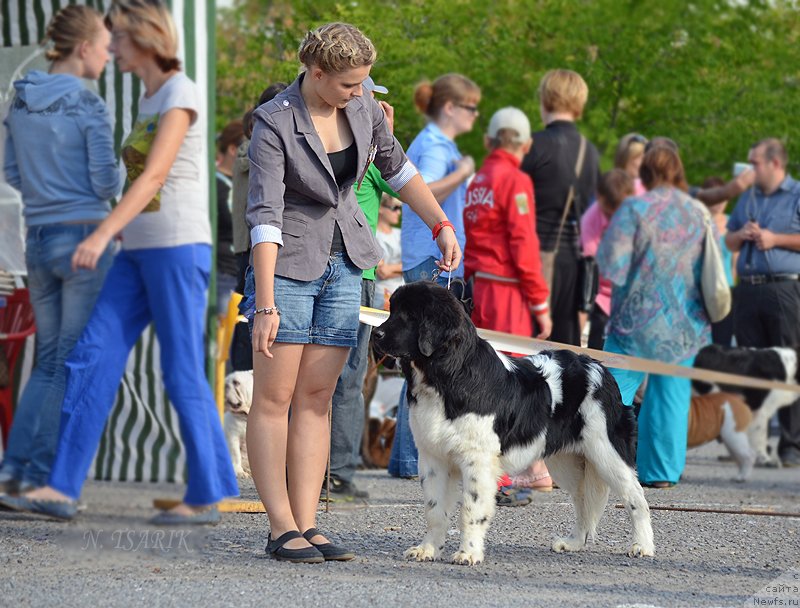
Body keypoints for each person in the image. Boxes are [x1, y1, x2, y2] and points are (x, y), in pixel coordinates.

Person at [6, 0, 239, 523]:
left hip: (178, 250)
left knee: (180, 371)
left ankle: (206, 491)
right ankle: (61, 488)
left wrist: (101, 233)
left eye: (118, 38)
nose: (110, 48)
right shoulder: (148, 93)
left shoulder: (181, 93)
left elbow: (155, 176)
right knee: (89, 355)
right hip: (135, 253)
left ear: (144, 38)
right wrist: (114, 236)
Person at [243, 22, 460, 563]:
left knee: (318, 399)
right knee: (274, 400)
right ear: (316, 74)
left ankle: (309, 524)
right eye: (347, 85)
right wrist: (265, 302)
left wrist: (440, 224)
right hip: (287, 268)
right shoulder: (273, 123)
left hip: (347, 264)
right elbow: (264, 217)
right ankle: (279, 527)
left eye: (364, 83)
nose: (359, 93)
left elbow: (399, 169)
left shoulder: (362, 107)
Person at [0, 5, 118, 496]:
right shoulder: (88, 105)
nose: (110, 57)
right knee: (71, 361)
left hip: (40, 235)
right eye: (107, 48)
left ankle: (15, 471)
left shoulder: (19, 98)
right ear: (85, 47)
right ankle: (40, 476)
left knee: (47, 360)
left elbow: (10, 172)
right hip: (83, 235)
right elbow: (107, 179)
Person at [597, 146, 711, 488]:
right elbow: (716, 269)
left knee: (612, 390)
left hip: (634, 320)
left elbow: (611, 264)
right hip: (683, 322)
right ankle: (660, 473)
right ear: (678, 172)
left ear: (644, 174)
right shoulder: (698, 211)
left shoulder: (634, 208)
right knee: (670, 393)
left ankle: (604, 465)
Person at [389, 72, 479, 480]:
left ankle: (405, 458)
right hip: (433, 257)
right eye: (471, 108)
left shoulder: (438, 143)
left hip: (432, 254)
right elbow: (424, 190)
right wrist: (462, 173)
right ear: (450, 108)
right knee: (429, 362)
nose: (476, 116)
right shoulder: (434, 145)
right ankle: (413, 459)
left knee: (423, 363)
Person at [463, 106, 553, 497]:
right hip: (507, 290)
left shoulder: (478, 180)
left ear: (491, 140)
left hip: (481, 284)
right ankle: (501, 474)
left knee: (487, 375)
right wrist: (540, 302)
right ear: (525, 143)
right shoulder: (515, 181)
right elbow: (523, 243)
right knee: (509, 380)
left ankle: (498, 470)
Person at [326, 75, 399, 501]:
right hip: (360, 276)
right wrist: (386, 135)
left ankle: (316, 470)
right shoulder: (368, 153)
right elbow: (405, 182)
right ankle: (338, 473)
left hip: (337, 270)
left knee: (323, 380)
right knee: (349, 381)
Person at [725, 138, 800, 468]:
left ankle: (791, 443)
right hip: (749, 289)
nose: (750, 169)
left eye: (755, 163)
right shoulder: (748, 197)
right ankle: (755, 444)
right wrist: (741, 234)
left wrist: (774, 239)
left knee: (788, 365)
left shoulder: (796, 195)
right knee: (751, 365)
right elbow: (727, 240)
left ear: (774, 164)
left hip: (784, 289)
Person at [521, 69, 601, 346]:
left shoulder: (533, 145)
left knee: (527, 352)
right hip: (573, 263)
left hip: (533, 261)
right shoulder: (590, 152)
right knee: (563, 356)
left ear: (545, 99)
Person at [229, 83, 288, 372]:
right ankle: (241, 380)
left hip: (257, 245)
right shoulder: (254, 152)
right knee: (248, 321)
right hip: (254, 248)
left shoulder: (248, 150)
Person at [580, 169, 634, 350]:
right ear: (599, 197)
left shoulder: (642, 210)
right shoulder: (590, 220)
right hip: (603, 298)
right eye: (610, 214)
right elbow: (591, 264)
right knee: (599, 351)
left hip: (634, 297)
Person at [702, 176, 736, 346]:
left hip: (726, 291)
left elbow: (735, 263)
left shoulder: (733, 223)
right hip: (703, 291)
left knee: (723, 343)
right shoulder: (699, 222)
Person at [215, 119, 244, 316]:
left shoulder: (247, 182)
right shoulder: (213, 185)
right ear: (233, 149)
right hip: (222, 274)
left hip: (243, 274)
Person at [374, 194, 403, 310]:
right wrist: (402, 269)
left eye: (399, 209)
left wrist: (391, 268)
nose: (398, 213)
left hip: (402, 293)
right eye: (394, 208)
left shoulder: (400, 234)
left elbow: (411, 266)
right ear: (381, 207)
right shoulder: (373, 234)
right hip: (380, 296)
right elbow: (382, 272)